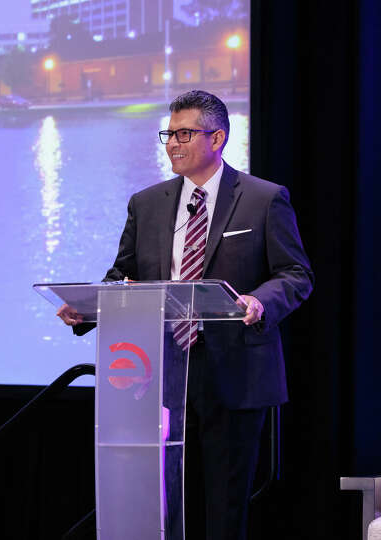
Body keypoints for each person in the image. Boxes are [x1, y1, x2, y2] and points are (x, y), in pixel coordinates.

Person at [57, 90, 313, 540]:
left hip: (234, 379)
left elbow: (295, 274)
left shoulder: (263, 199)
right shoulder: (147, 203)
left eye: (184, 133)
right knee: (166, 507)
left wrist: (258, 302)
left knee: (223, 510)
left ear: (217, 138)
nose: (173, 143)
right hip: (158, 380)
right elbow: (124, 276)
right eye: (168, 134)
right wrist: (88, 310)